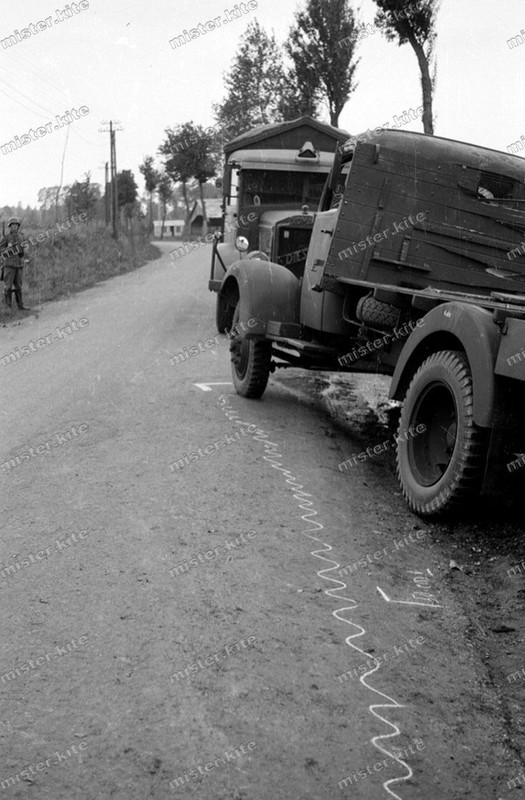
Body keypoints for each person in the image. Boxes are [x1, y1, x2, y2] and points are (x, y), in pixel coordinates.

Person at [0, 216, 30, 310]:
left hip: (19, 264)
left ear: (18, 226)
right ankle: (8, 307)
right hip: (9, 265)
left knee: (19, 286)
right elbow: (0, 249)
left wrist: (25, 250)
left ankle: (20, 305)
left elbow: (25, 248)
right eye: (12, 225)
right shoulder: (6, 237)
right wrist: (7, 248)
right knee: (7, 286)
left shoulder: (22, 236)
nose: (14, 227)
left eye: (16, 225)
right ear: (10, 226)